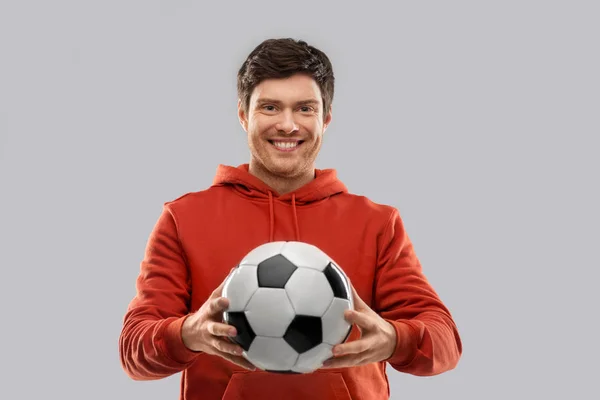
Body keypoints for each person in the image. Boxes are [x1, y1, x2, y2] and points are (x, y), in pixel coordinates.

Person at [119, 37, 462, 400]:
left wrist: (397, 340)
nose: (287, 125)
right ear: (242, 115)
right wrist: (187, 333)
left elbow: (445, 343)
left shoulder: (376, 222)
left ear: (326, 118)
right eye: (269, 107)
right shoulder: (184, 218)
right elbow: (134, 351)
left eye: (304, 109)